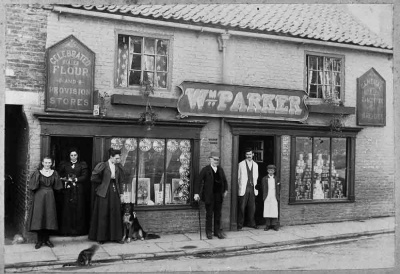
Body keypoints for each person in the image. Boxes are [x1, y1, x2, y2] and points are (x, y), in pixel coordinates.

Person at [89, 148, 125, 244]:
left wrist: (121, 193)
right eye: (116, 158)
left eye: (119, 158)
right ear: (111, 157)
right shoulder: (103, 165)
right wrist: (103, 183)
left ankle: (116, 237)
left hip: (114, 191)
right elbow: (93, 177)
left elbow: (121, 181)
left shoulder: (119, 167)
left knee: (115, 214)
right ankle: (101, 238)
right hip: (103, 192)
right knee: (103, 214)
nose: (118, 160)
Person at [28, 156, 63, 249]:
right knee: (39, 217)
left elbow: (58, 186)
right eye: (45, 162)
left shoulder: (54, 173)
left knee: (49, 217)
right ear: (42, 163)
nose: (47, 164)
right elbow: (32, 186)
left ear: (52, 163)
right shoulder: (38, 173)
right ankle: (39, 240)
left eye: (49, 163)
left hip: (50, 197)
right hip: (39, 196)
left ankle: (47, 239)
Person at [194, 152, 228, 240]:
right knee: (209, 214)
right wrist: (196, 193)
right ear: (210, 159)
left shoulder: (220, 170)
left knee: (218, 214)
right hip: (209, 196)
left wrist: (225, 190)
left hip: (218, 196)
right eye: (215, 159)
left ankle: (217, 232)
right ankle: (209, 232)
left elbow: (224, 181)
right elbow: (198, 181)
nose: (216, 161)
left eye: (218, 160)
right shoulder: (205, 169)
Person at [57, 148, 90, 236]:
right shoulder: (65, 165)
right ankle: (67, 230)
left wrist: (76, 179)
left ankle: (78, 231)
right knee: (67, 209)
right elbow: (60, 174)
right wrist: (65, 179)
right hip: (68, 189)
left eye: (75, 155)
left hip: (78, 190)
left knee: (79, 209)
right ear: (69, 156)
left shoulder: (82, 164)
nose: (73, 157)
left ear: (77, 156)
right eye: (71, 155)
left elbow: (85, 176)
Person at [237, 148, 259, 230]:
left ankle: (252, 223)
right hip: (244, 188)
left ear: (253, 154)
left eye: (250, 154)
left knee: (252, 207)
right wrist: (239, 187)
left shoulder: (256, 165)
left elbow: (256, 178)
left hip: (252, 188)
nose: (248, 156)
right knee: (242, 207)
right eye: (247, 154)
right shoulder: (241, 164)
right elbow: (238, 177)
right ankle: (240, 224)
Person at [261, 164, 280, 231]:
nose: (270, 171)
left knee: (274, 210)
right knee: (267, 210)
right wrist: (264, 196)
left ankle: (274, 225)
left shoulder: (277, 178)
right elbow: (263, 187)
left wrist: (277, 195)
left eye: (272, 170)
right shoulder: (264, 178)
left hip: (274, 196)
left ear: (274, 171)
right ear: (267, 171)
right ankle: (268, 225)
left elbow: (279, 187)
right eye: (269, 170)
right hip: (267, 196)